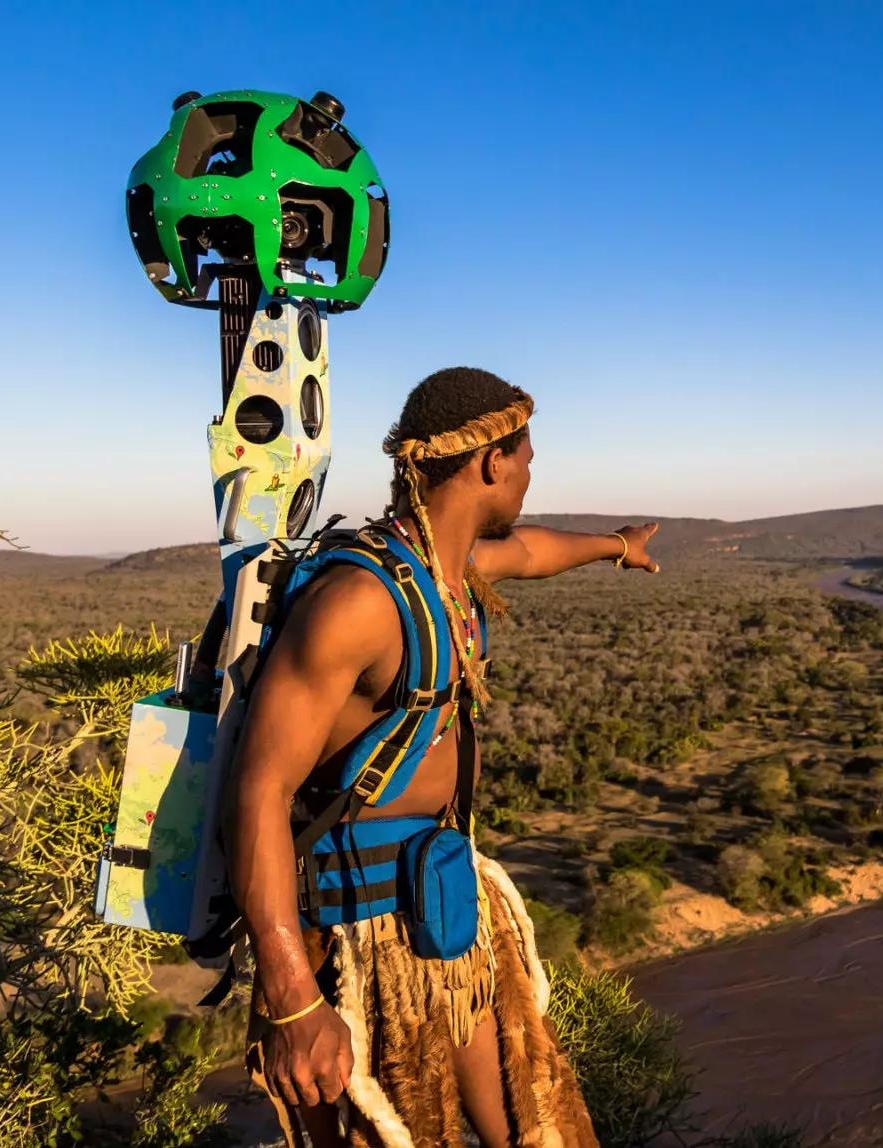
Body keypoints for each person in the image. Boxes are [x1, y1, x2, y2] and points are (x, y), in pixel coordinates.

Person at [226, 366, 660, 1147]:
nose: (531, 472)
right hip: (354, 942)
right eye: (527, 455)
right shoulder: (358, 603)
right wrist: (295, 999)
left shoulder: (446, 572)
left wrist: (616, 548)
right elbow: (258, 790)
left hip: (443, 909)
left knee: (537, 1129)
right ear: (493, 460)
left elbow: (527, 552)